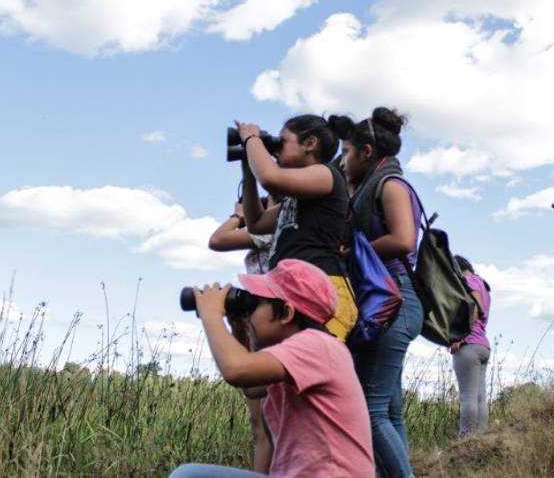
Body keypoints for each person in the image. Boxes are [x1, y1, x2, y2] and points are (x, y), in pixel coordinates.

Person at [169, 259, 374, 478]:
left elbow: (236, 370)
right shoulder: (299, 355)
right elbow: (251, 386)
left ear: (286, 313)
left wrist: (211, 314)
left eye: (256, 303)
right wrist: (239, 328)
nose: (251, 312)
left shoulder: (317, 345)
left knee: (187, 476)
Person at [330, 107, 423, 478]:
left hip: (393, 299)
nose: (343, 159)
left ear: (367, 152)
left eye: (347, 152)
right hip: (386, 300)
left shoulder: (391, 185)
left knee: (369, 410)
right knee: (389, 410)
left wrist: (349, 250)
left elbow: (403, 240)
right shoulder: (368, 186)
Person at [237, 116, 357, 342]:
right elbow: (256, 222)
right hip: (297, 290)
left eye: (281, 142)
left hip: (323, 290)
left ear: (310, 143)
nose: (274, 151)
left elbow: (271, 178)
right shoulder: (297, 197)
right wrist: (248, 170)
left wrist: (252, 138)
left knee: (311, 369)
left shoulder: (327, 174)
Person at [208, 197, 276, 474]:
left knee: (267, 423)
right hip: (255, 320)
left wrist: (238, 217)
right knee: (258, 422)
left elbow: (217, 239)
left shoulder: (277, 228)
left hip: (272, 322)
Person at [449, 255, 491, 437]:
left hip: (469, 345)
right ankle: (481, 438)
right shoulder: (483, 284)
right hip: (483, 345)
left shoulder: (468, 281)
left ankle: (466, 438)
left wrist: (459, 337)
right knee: (480, 397)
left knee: (468, 397)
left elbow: (475, 306)